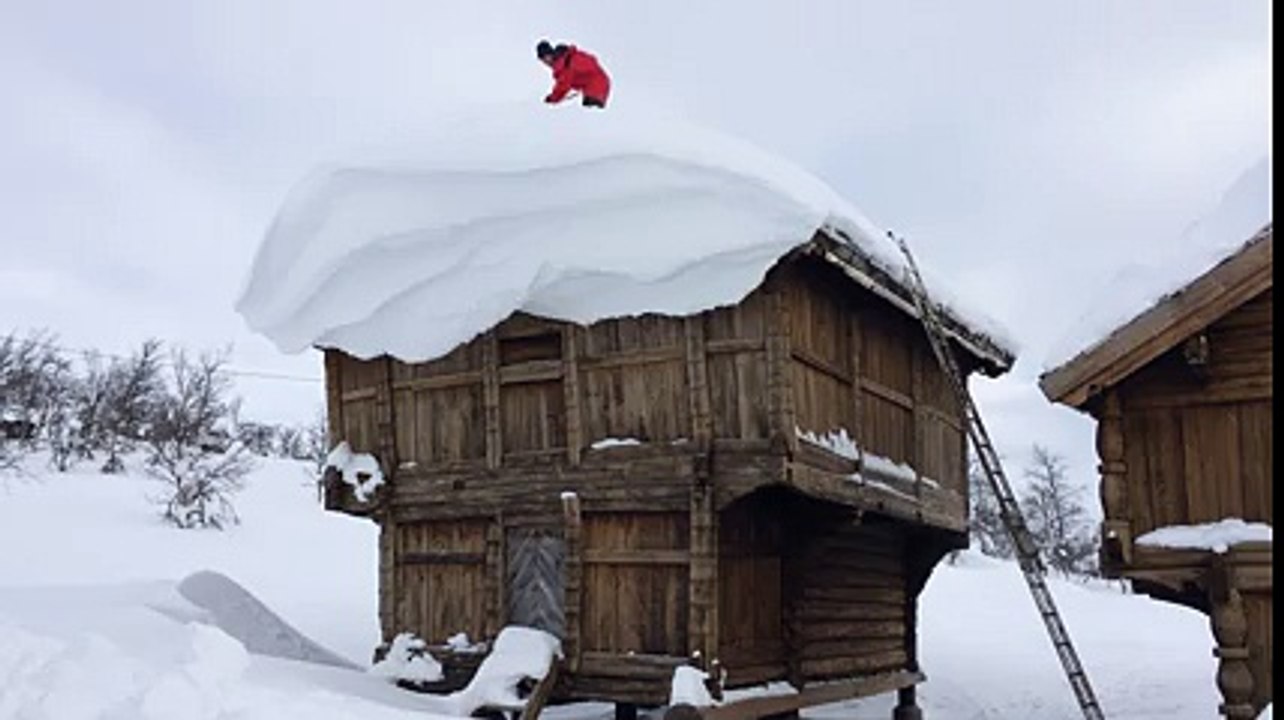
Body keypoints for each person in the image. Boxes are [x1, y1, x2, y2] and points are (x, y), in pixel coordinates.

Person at [536, 40, 611, 108]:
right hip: (599, 84)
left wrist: (552, 98)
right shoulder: (566, 58)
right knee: (591, 115)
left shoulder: (562, 63)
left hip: (595, 86)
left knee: (589, 115)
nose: (545, 62)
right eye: (542, 60)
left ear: (550, 53)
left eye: (545, 57)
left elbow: (563, 84)